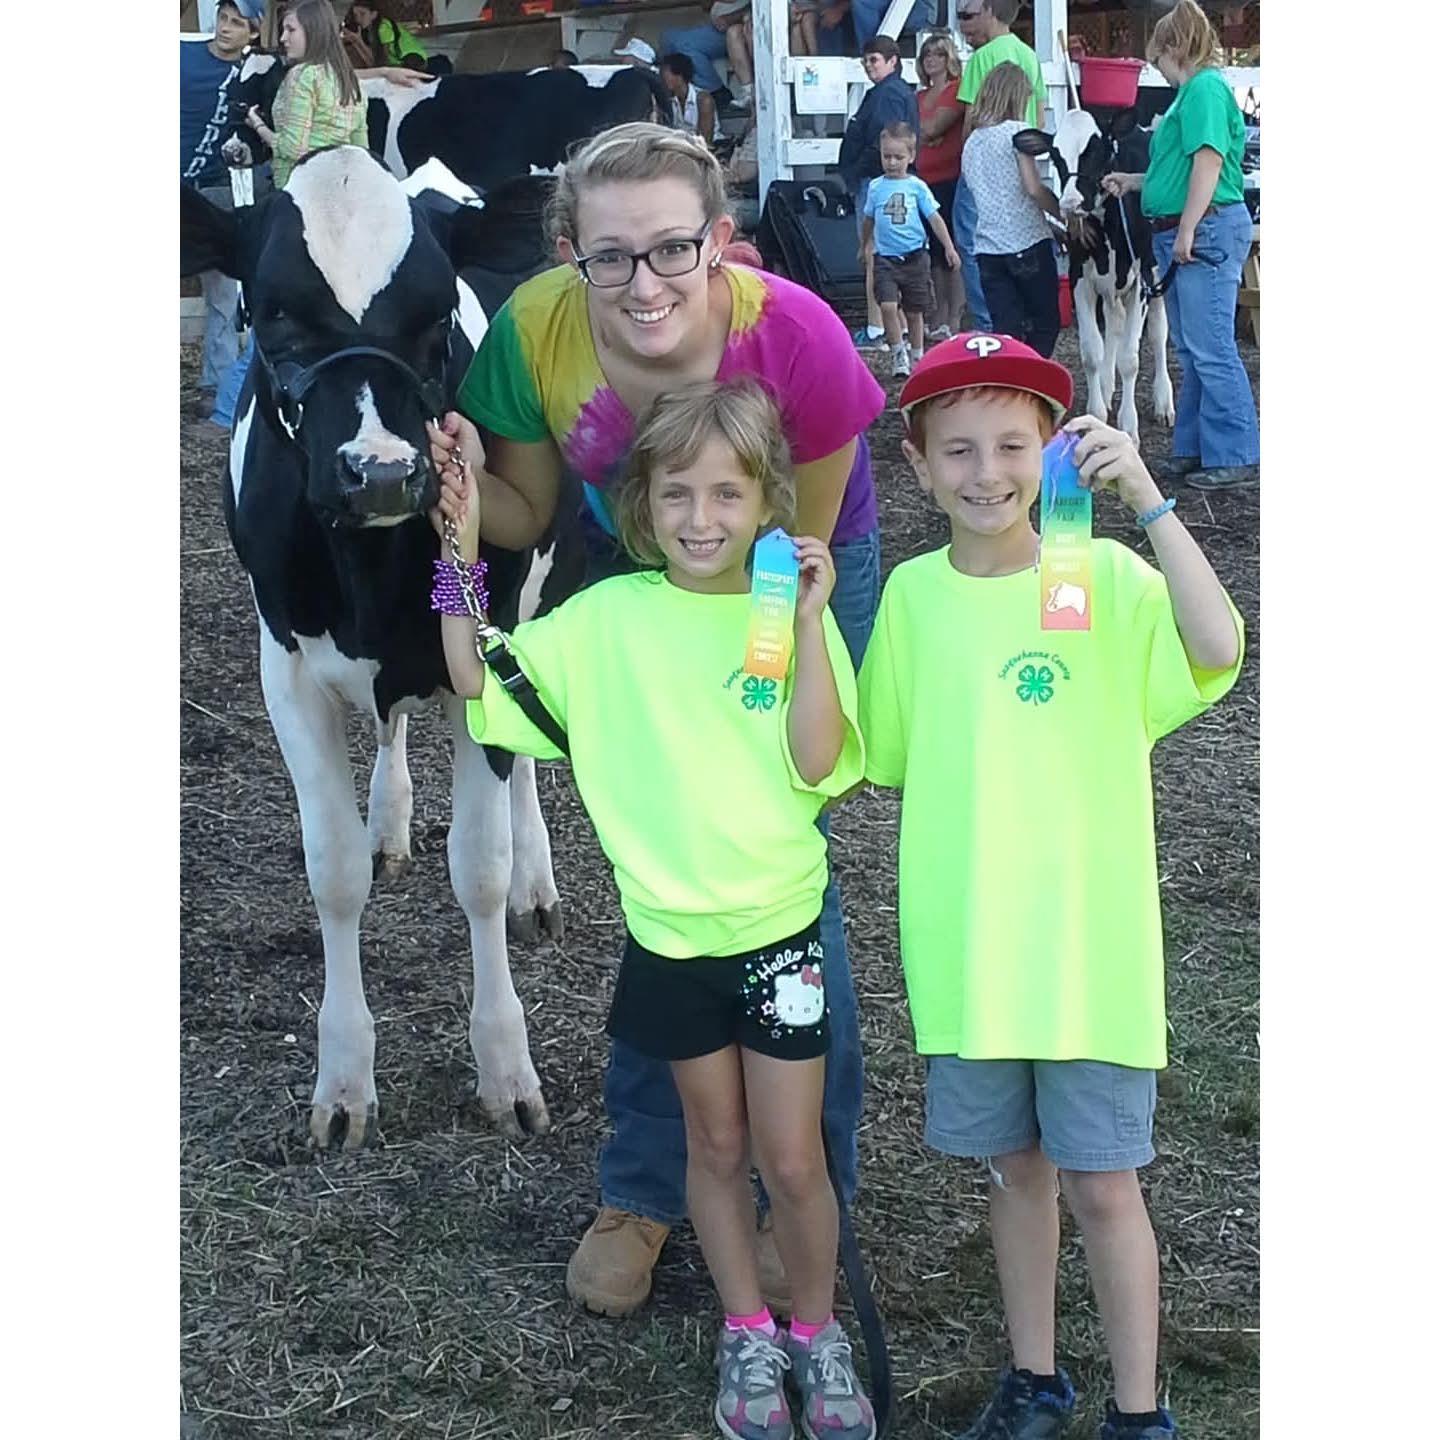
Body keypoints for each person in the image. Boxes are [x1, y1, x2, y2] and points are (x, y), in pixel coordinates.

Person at [425, 122, 886, 1323]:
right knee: (663, 864)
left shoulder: (797, 335)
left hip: (795, 566)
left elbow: (796, 534)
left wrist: (760, 663)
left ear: (718, 240)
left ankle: (803, 1183)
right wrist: (460, 508)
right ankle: (646, 1185)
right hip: (640, 562)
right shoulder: (536, 332)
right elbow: (527, 511)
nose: (644, 282)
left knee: (775, 852)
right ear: (570, 252)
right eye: (611, 255)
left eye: (673, 248)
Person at [432, 377, 877, 1440]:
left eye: (727, 495)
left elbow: (821, 760)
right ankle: (747, 1330)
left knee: (794, 1159)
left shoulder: (785, 618)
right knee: (713, 1150)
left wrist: (812, 624)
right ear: (643, 502)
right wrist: (457, 550)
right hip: (671, 945)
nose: (700, 518)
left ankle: (817, 1332)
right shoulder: (606, 621)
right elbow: (479, 680)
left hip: (782, 940)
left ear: (766, 502)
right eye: (676, 494)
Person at [859, 333, 1244, 1440]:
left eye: (1012, 446)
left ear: (1051, 455)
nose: (987, 473)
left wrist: (1150, 503)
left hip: (1090, 954)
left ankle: (1139, 1410)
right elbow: (879, 753)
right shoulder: (913, 599)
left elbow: (1217, 645)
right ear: (918, 464)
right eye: (959, 450)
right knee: (1013, 1173)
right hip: (973, 955)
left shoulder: (1103, 580)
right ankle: (1034, 1379)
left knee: (1105, 1185)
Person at [1102, 0, 1260, 489]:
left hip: (1204, 228)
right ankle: (1196, 447)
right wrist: (1137, 182)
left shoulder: (1204, 90)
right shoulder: (1194, 93)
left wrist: (1188, 227)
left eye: (1159, 59)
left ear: (1176, 48)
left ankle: (1236, 452)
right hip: (1192, 226)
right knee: (1193, 348)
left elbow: (1209, 162)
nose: (1160, 70)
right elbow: (1183, 168)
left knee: (1209, 346)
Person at [181, 0, 265, 420]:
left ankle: (215, 384)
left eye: (237, 23)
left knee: (222, 294)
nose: (225, 28)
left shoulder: (257, 71)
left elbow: (316, 70)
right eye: (223, 18)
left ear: (253, 33)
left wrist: (385, 71)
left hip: (216, 192)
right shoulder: (181, 55)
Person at [951, 0, 1049, 331]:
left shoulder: (982, 57)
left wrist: (968, 158)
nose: (968, 20)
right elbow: (1040, 114)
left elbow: (971, 118)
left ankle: (987, 320)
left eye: (973, 13)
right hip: (1023, 152)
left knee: (972, 237)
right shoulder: (1029, 54)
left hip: (988, 157)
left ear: (990, 11)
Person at [962, 63, 1063, 357]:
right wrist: (1063, 216)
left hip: (988, 249)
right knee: (1044, 324)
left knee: (1006, 331)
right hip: (1026, 241)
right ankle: (1033, 376)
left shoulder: (971, 143)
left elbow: (989, 196)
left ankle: (1011, 378)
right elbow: (1033, 189)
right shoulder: (1017, 134)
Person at [859, 122, 961, 378]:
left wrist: (949, 247)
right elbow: (869, 219)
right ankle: (897, 352)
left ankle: (917, 355)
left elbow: (934, 218)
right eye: (887, 156)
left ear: (911, 156)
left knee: (915, 312)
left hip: (915, 257)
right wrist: (865, 244)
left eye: (898, 157)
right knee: (888, 306)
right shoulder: (876, 187)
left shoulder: (917, 187)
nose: (892, 162)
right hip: (885, 258)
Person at [838, 35, 920, 351]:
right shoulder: (890, 92)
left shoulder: (888, 94)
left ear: (893, 61)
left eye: (874, 59)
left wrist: (857, 170)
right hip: (881, 181)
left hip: (877, 181)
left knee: (874, 254)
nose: (868, 65)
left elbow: (886, 142)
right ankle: (896, 328)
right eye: (865, 60)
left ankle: (878, 329)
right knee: (883, 254)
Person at [243, 0, 367, 190]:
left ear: (313, 31)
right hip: (338, 187)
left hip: (296, 188)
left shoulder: (303, 75)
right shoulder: (350, 80)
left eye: (291, 30)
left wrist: (258, 125)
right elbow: (361, 150)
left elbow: (292, 148)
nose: (283, 38)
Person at [915, 29, 966, 340]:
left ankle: (955, 315)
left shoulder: (956, 90)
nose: (932, 59)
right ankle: (939, 313)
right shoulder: (919, 96)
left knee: (952, 246)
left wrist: (927, 133)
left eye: (939, 54)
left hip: (950, 177)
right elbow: (914, 131)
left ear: (950, 59)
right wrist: (926, 133)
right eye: (927, 54)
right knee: (933, 250)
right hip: (923, 179)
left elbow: (932, 128)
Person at [661, 0, 755, 112]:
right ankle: (672, 100)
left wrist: (738, 14)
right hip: (721, 19)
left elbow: (723, 21)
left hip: (744, 20)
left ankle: (716, 94)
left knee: (684, 44)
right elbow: (706, 6)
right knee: (669, 37)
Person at [343, 2, 450, 76]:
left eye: (362, 14)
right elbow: (373, 63)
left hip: (411, 60)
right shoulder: (367, 30)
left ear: (374, 14)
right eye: (356, 15)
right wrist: (356, 41)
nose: (359, 18)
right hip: (396, 64)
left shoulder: (383, 28)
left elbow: (380, 62)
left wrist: (358, 41)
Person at [660, 51, 721, 144]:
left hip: (706, 147)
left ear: (679, 76)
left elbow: (705, 141)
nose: (662, 77)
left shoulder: (703, 100)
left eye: (665, 72)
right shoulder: (668, 100)